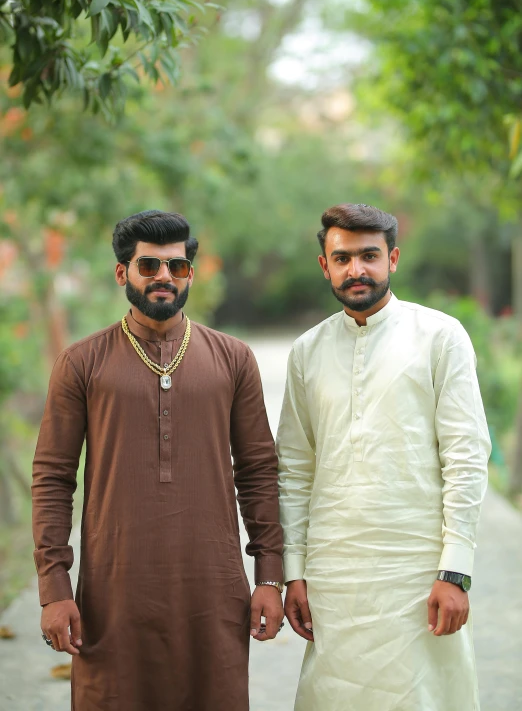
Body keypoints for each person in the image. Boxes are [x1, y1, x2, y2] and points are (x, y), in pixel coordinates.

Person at [32, 210, 284, 711]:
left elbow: (258, 472)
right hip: (114, 594)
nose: (164, 276)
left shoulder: (233, 359)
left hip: (213, 593)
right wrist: (54, 587)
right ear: (122, 272)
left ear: (189, 272)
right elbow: (53, 478)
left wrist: (270, 575)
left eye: (177, 266)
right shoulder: (82, 363)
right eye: (149, 265)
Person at [277, 203, 491, 711]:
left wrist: (455, 570)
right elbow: (294, 468)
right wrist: (293, 570)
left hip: (418, 572)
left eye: (369, 255)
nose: (357, 269)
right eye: (343, 257)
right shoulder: (306, 352)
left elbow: (466, 454)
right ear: (324, 265)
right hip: (335, 576)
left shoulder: (440, 337)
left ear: (392, 259)